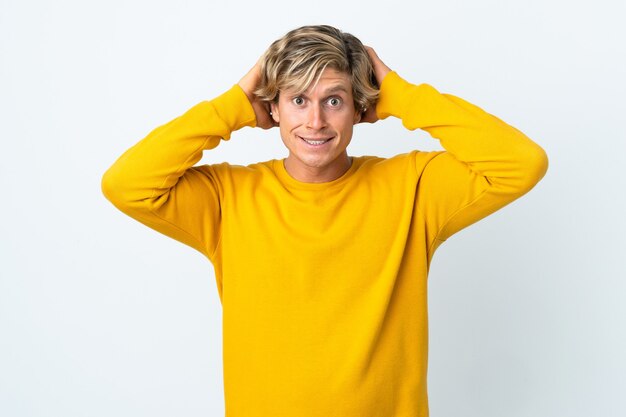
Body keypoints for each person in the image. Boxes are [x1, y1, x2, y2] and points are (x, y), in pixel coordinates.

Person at [102, 24, 548, 417]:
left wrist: (404, 97)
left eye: (333, 100)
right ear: (272, 108)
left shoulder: (413, 188)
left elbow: (521, 163)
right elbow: (126, 184)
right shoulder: (227, 198)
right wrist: (231, 105)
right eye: (298, 100)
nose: (315, 121)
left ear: (359, 108)